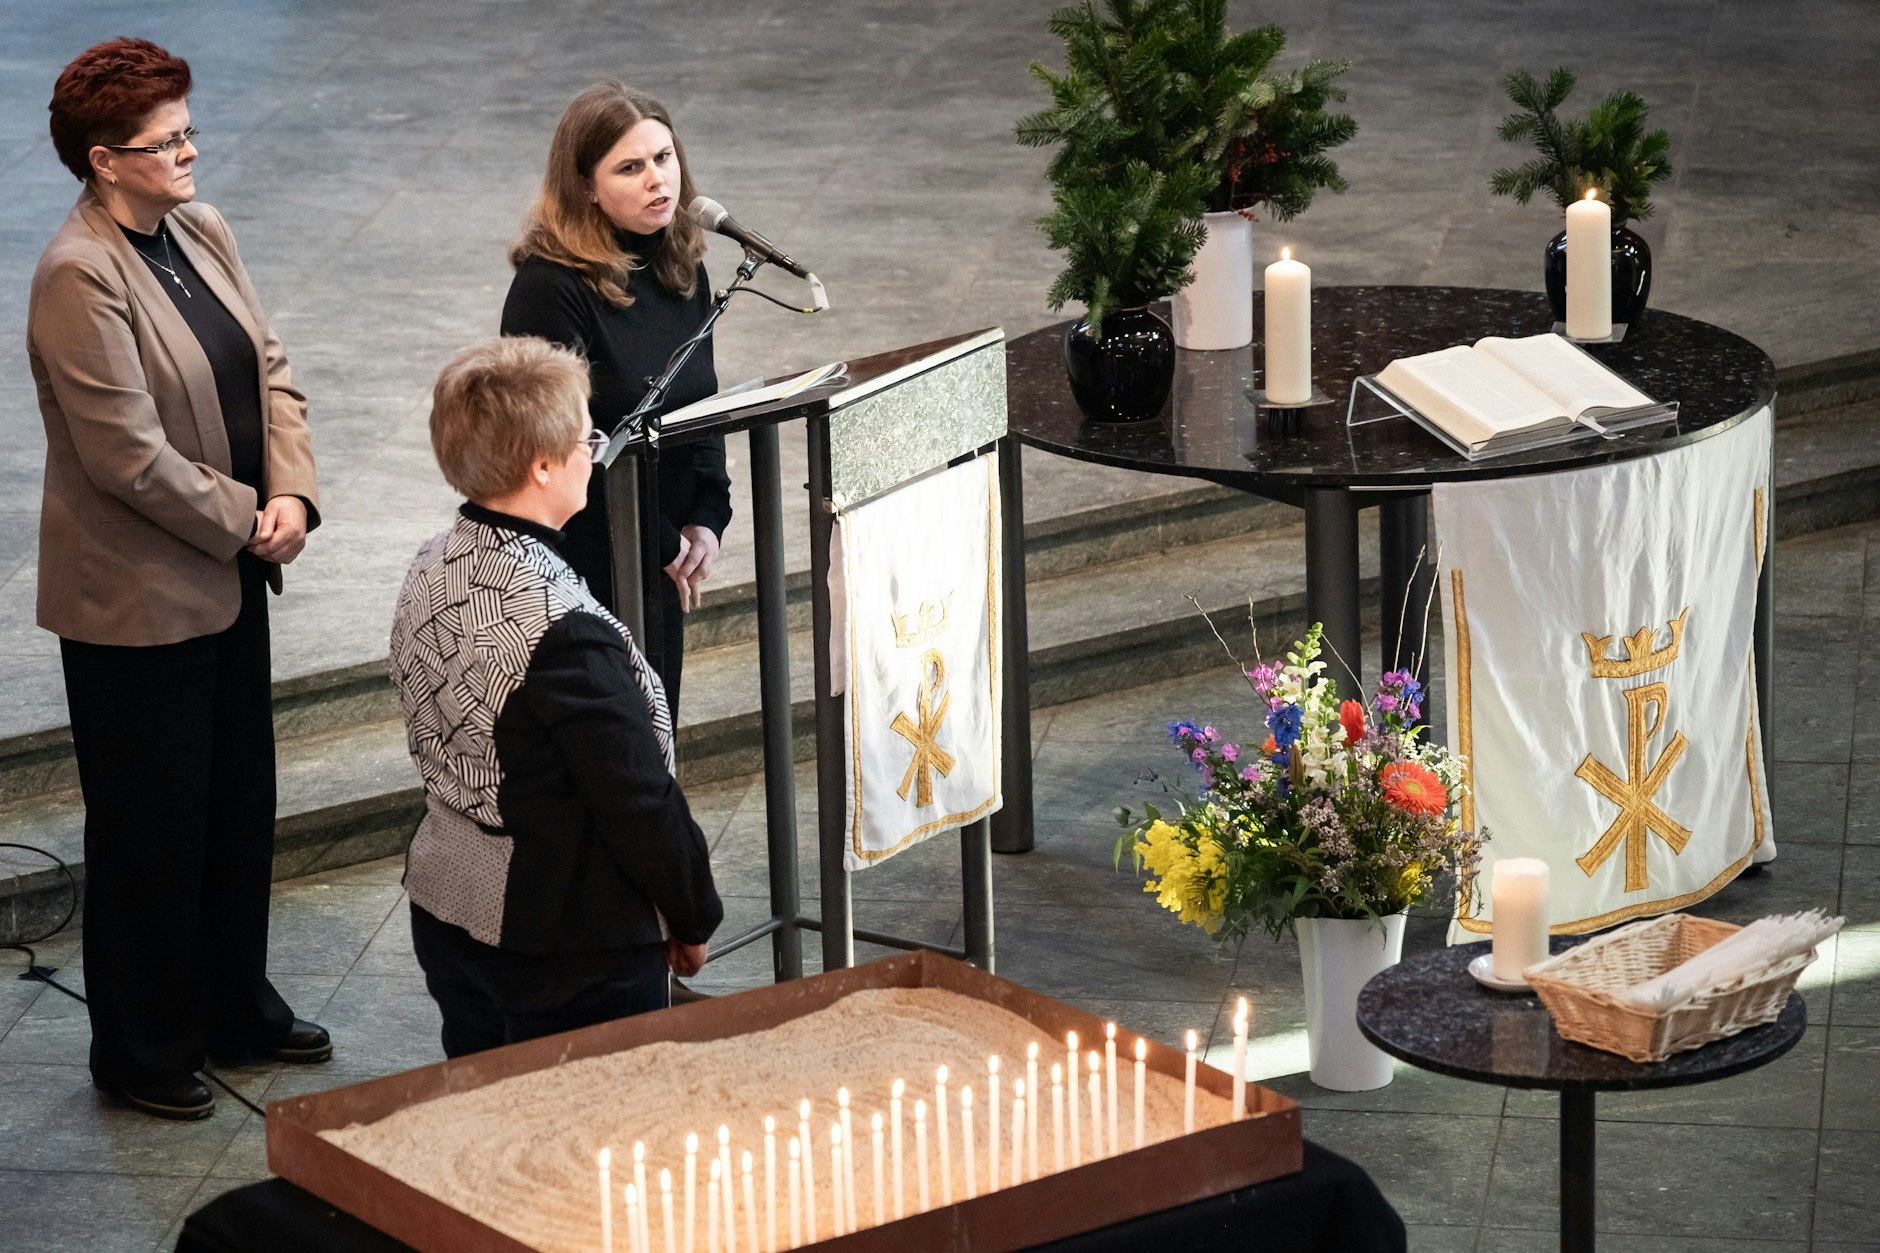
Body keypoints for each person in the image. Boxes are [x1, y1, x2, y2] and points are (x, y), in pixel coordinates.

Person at [29, 38, 328, 1121]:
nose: (191, 151)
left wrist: (290, 492)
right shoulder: (77, 273)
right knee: (151, 831)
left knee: (236, 808)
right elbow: (125, 456)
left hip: (232, 570)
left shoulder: (199, 230)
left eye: (190, 129)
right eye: (168, 141)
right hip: (137, 598)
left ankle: (233, 1009)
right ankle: (145, 1047)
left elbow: (271, 365)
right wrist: (252, 519)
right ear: (106, 160)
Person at [389, 337, 723, 1058]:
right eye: (586, 439)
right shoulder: (559, 631)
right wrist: (692, 914)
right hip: (564, 938)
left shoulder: (430, 561)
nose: (593, 455)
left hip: (450, 903)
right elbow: (636, 796)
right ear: (541, 465)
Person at [500, 81, 731, 720]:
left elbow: (698, 400)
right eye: (630, 167)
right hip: (583, 560)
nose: (658, 180)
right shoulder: (549, 287)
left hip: (659, 556)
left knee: (657, 743)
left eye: (664, 158)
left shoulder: (680, 264)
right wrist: (661, 543)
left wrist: (707, 516)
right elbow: (557, 443)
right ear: (584, 187)